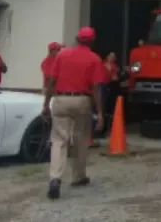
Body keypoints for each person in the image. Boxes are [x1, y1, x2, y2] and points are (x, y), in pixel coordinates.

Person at [41, 27, 107, 200]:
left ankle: (55, 177)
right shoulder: (94, 59)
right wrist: (99, 112)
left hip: (61, 99)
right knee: (80, 139)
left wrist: (46, 104)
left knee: (59, 140)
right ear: (92, 41)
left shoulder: (62, 55)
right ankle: (79, 176)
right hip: (82, 100)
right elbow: (95, 88)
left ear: (77, 38)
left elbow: (52, 81)